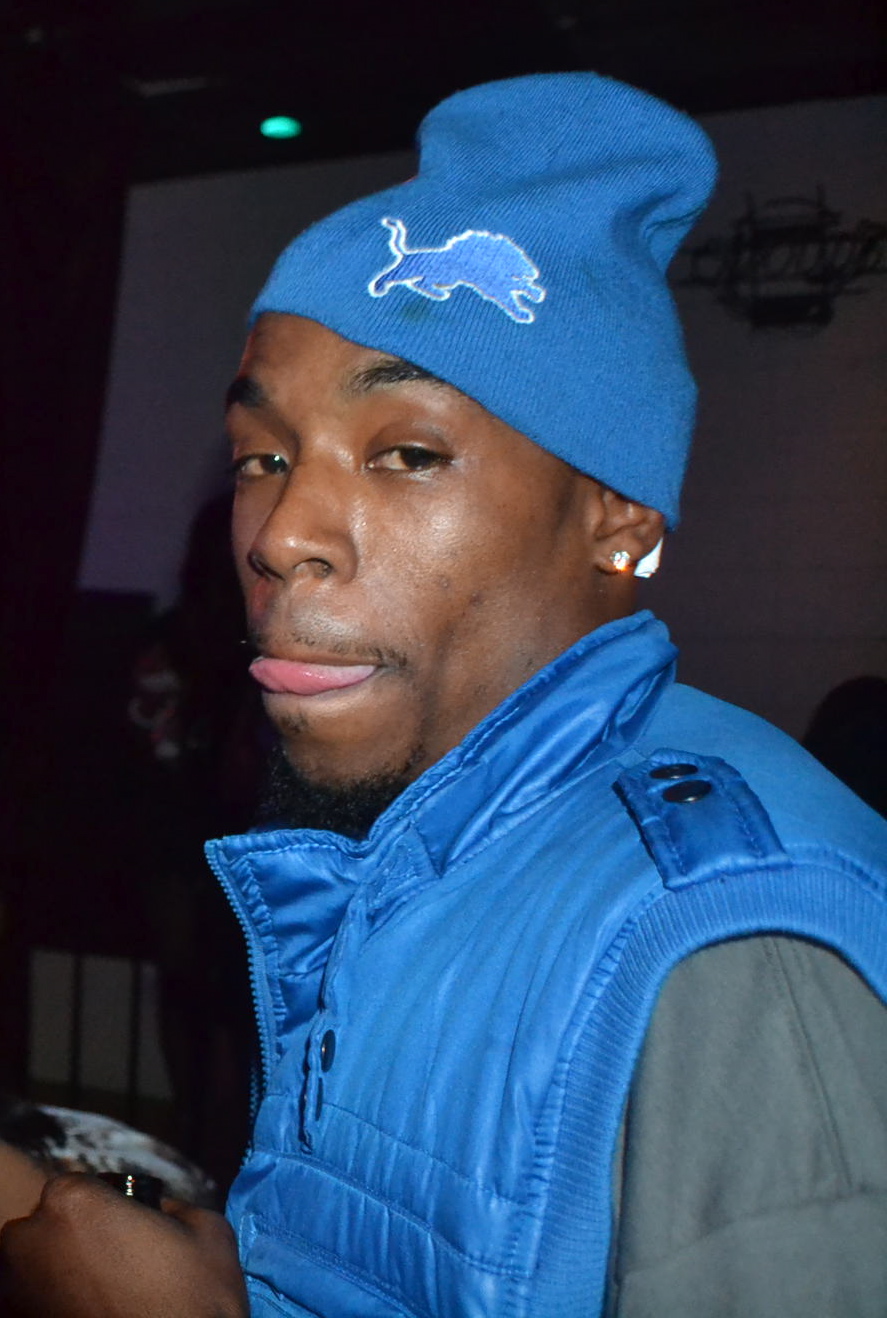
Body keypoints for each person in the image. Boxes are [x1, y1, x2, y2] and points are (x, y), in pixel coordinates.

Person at [2, 72, 887, 1317]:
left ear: (617, 520)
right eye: (263, 456)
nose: (280, 534)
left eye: (406, 454)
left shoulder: (731, 943)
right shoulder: (429, 846)